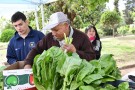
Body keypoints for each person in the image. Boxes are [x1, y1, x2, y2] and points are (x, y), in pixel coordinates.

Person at [24, 12, 96, 68]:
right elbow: (36, 49)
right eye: (51, 30)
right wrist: (27, 63)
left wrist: (75, 52)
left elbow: (92, 58)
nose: (53, 33)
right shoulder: (48, 38)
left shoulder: (82, 37)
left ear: (66, 26)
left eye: (56, 30)